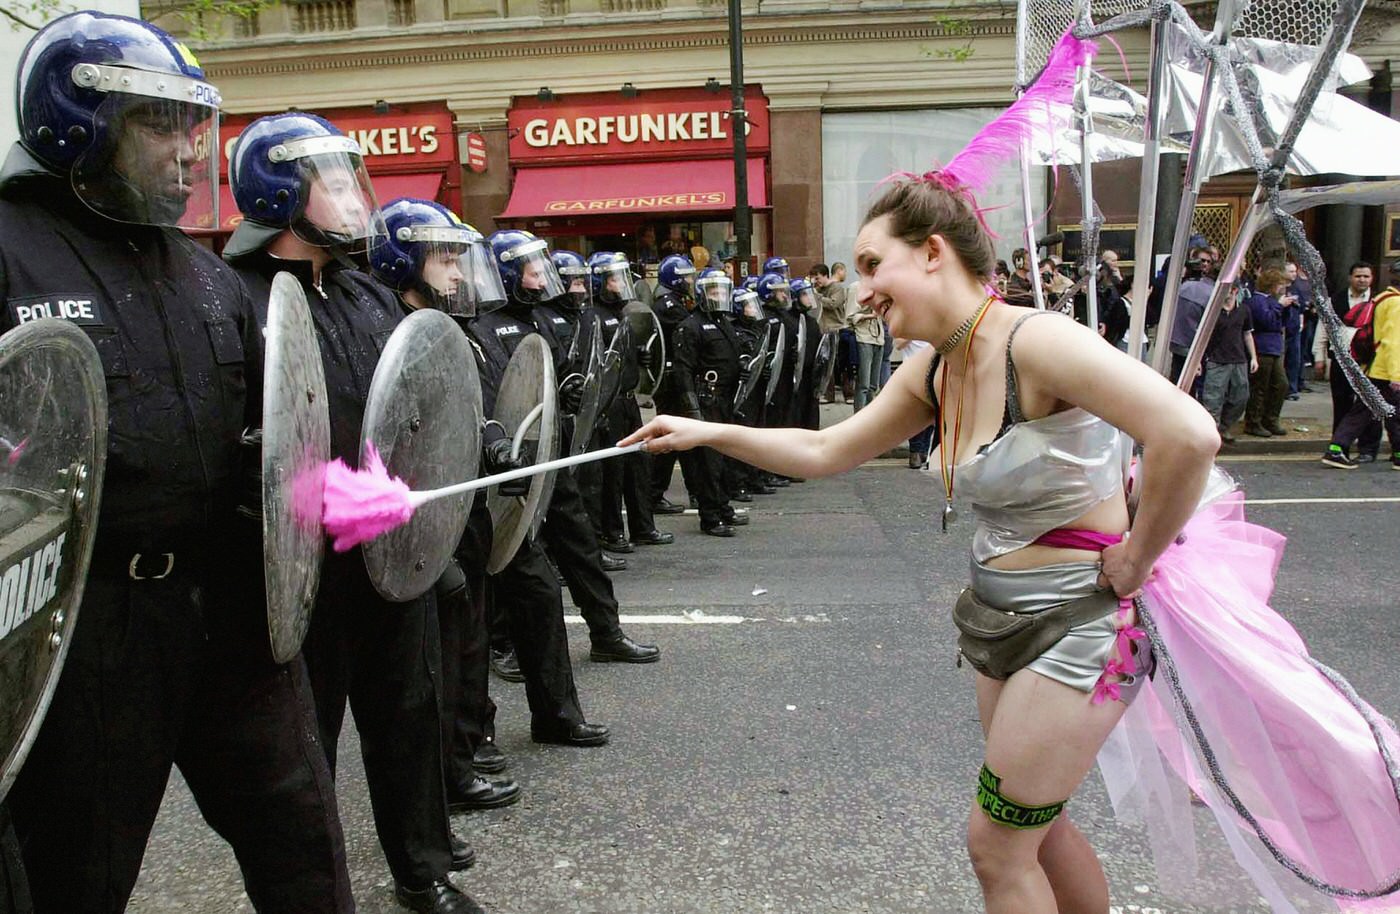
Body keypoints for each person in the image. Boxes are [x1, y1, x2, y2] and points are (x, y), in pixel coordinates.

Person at [621, 171, 1400, 914]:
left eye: (871, 264)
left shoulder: (1037, 341)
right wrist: (705, 431)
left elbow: (1188, 435)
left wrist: (1136, 558)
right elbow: (829, 453)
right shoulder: (933, 368)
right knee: (1039, 826)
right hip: (996, 624)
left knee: (996, 845)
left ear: (933, 252)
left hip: (1081, 630)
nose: (860, 289)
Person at [1, 13, 353, 913]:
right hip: (89, 634)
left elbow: (261, 435)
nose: (191, 151)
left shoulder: (202, 275)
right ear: (75, 122)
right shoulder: (8, 253)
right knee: (79, 870)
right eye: (161, 123)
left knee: (304, 841)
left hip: (232, 611)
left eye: (196, 125)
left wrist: (317, 492)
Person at [224, 115, 478, 913]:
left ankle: (423, 868)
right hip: (301, 566)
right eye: (331, 181)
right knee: (306, 747)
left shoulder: (367, 292)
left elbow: (413, 402)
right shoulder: (239, 298)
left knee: (409, 715)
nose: (351, 198)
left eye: (348, 179)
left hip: (388, 549)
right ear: (279, 192)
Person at [367, 198, 525, 819]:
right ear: (407, 259)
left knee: (469, 647)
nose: (458, 273)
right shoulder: (386, 332)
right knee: (430, 668)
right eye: (444, 258)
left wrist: (490, 437)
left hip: (465, 507)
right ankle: (444, 773)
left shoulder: (448, 327)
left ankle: (463, 754)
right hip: (420, 519)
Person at [583, 251, 674, 551]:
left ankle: (642, 526)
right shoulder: (592, 315)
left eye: (621, 278)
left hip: (628, 400)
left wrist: (640, 358)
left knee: (638, 467)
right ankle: (613, 532)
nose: (619, 285)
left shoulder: (618, 312)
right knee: (613, 473)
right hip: (609, 404)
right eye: (612, 279)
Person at [669, 268, 748, 535]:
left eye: (722, 290)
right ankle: (711, 517)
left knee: (724, 459)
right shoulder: (689, 326)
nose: (719, 296)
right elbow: (683, 370)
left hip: (726, 399)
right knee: (707, 463)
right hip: (706, 400)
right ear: (702, 294)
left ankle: (723, 507)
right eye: (713, 291)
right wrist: (692, 408)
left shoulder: (725, 322)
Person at [1322, 259, 1400, 470]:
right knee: (1392, 412)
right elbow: (1393, 342)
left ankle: (1336, 449)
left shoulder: (1383, 298)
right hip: (1387, 370)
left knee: (1363, 410)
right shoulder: (1396, 304)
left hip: (1375, 366)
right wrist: (1396, 375)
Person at [649, 254, 699, 515]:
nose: (691, 281)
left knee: (677, 439)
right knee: (675, 439)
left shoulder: (677, 302)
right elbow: (690, 330)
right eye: (687, 276)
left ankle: (659, 492)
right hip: (671, 381)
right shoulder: (668, 305)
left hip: (674, 379)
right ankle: (655, 493)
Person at [1199, 284, 1256, 444]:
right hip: (1217, 359)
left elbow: (1247, 335)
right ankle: (1212, 432)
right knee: (1213, 398)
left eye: (1228, 290)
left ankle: (1225, 426)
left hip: (1239, 359)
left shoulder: (1244, 310)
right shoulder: (1213, 310)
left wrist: (1254, 357)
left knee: (1241, 397)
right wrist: (1199, 360)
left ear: (1235, 291)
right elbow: (1203, 336)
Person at [1243, 267, 1290, 438]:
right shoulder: (1256, 301)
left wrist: (1286, 308)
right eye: (1279, 284)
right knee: (1260, 387)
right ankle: (1253, 421)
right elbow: (1267, 321)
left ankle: (1270, 418)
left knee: (1280, 384)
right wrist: (1279, 306)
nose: (1281, 288)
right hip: (1262, 347)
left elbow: (1282, 322)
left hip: (1274, 347)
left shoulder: (1270, 300)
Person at [846, 278, 885, 411]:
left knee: (873, 384)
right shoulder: (855, 287)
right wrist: (869, 315)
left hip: (878, 336)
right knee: (864, 383)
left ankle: (870, 414)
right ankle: (859, 415)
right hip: (864, 337)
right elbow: (850, 316)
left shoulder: (879, 286)